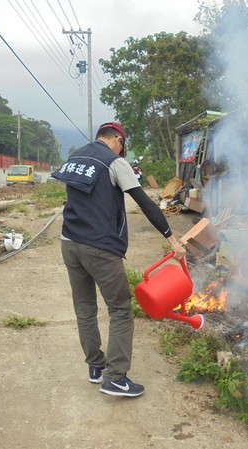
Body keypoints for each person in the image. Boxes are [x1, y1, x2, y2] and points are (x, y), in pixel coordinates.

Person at [51, 122, 186, 398]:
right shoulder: (114, 163)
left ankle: (96, 368)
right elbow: (146, 203)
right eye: (122, 145)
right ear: (116, 139)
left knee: (85, 309)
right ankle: (115, 378)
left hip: (69, 244)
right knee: (121, 310)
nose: (122, 150)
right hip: (99, 247)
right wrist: (172, 239)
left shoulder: (77, 157)